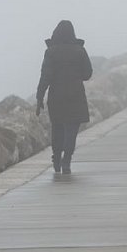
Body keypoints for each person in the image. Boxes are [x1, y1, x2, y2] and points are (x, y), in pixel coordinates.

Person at [36, 20, 93, 174]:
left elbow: (45, 76)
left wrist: (39, 97)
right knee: (71, 130)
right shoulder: (80, 51)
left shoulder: (51, 52)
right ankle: (66, 160)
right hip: (75, 95)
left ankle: (56, 157)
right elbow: (87, 74)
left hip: (57, 95)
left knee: (58, 127)